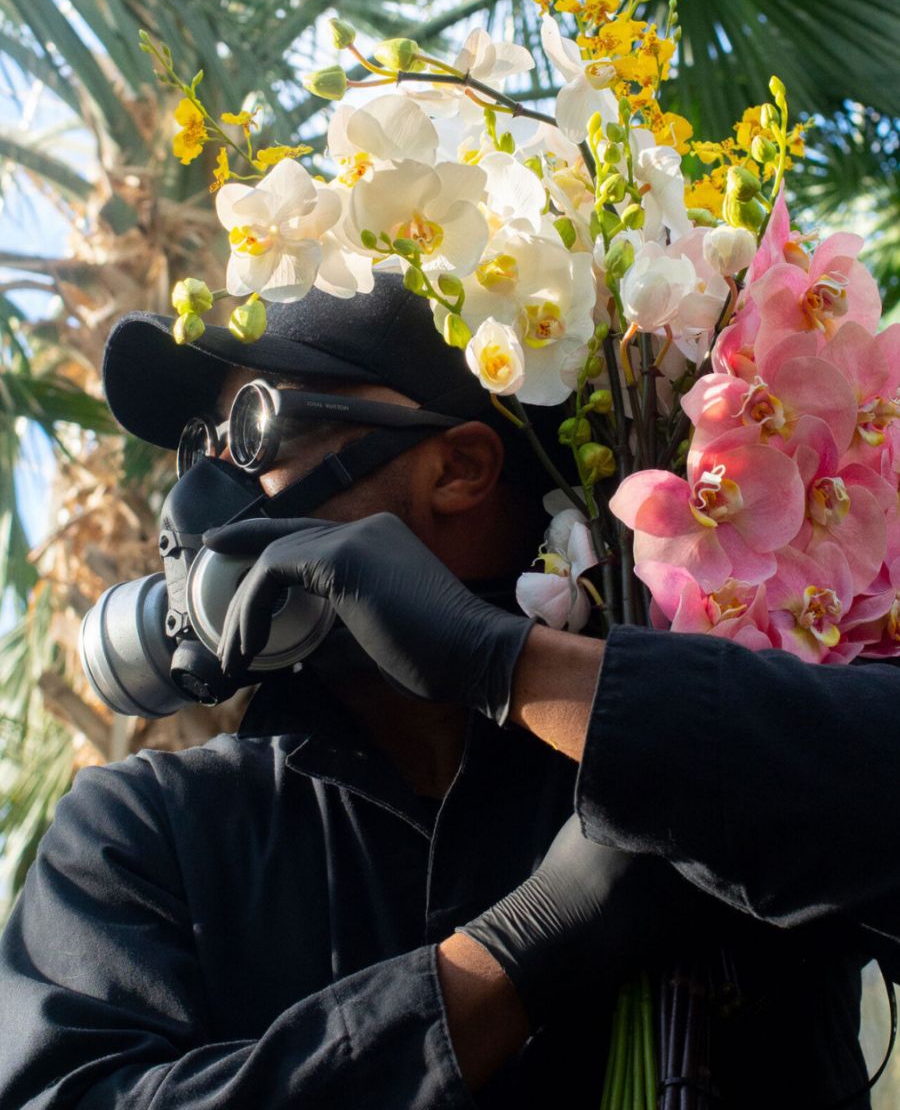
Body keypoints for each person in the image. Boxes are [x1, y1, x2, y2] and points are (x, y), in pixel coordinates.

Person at [0, 276, 876, 1108]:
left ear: (459, 468)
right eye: (204, 445)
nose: (200, 497)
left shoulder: (707, 763)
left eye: (255, 429)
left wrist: (509, 666)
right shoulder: (146, 834)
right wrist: (512, 959)